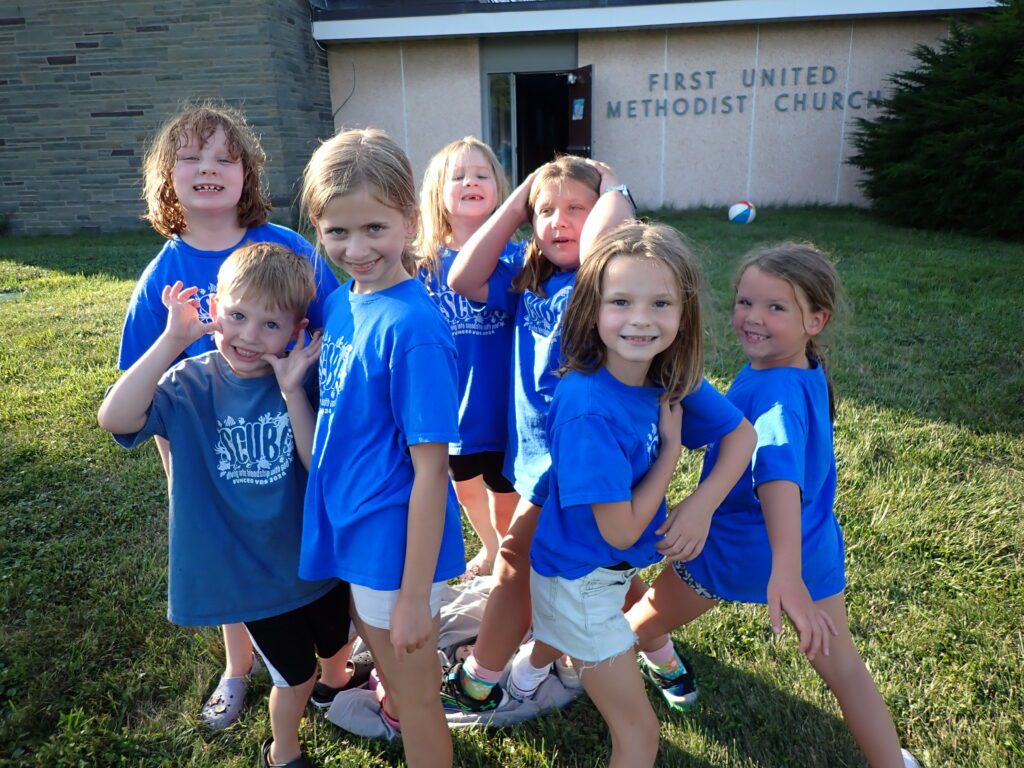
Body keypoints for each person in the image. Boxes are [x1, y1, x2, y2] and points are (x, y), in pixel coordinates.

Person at [625, 243, 921, 768]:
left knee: (637, 626)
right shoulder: (797, 370)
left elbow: (777, 473)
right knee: (844, 668)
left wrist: (783, 570)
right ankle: (892, 763)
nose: (753, 318)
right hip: (813, 547)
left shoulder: (777, 392)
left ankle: (580, 669)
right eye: (745, 302)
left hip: (743, 552)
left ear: (816, 319)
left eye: (775, 308)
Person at [119, 102, 341, 729]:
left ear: (248, 174)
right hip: (209, 459)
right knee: (227, 558)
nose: (208, 168)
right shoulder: (161, 276)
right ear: (167, 177)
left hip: (289, 442)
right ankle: (236, 667)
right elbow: (141, 381)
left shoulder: (288, 248)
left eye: (225, 156)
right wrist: (172, 470)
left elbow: (332, 328)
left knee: (296, 553)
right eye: (190, 157)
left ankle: (330, 667)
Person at [98, 243, 353, 768]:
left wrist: (291, 394)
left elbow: (315, 462)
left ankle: (338, 683)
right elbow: (115, 418)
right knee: (294, 674)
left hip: (312, 558)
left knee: (336, 637)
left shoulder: (301, 377)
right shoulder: (190, 383)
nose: (249, 337)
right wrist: (172, 339)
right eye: (237, 316)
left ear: (297, 329)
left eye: (270, 325)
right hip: (247, 575)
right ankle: (284, 750)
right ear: (215, 309)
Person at [500, 222, 729, 765]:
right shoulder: (587, 408)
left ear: (684, 312)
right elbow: (621, 529)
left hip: (600, 576)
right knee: (640, 732)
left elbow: (741, 436)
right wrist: (672, 454)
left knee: (561, 632)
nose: (641, 320)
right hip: (583, 583)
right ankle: (518, 676)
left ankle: (524, 676)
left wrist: (701, 504)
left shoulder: (661, 373)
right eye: (621, 301)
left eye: (661, 303)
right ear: (591, 309)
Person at [298, 127, 464, 768]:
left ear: (410, 218)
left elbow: (431, 474)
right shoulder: (341, 301)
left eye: (375, 228)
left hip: (396, 554)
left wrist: (417, 596)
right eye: (337, 231)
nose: (356, 248)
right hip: (351, 529)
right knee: (395, 676)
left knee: (420, 702)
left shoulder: (415, 329)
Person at [442, 155, 630, 712]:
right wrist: (522, 197)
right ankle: (651, 642)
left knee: (516, 560)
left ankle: (482, 675)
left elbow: (611, 240)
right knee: (580, 563)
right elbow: (461, 276)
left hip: (573, 457)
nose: (558, 221)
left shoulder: (604, 282)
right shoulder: (529, 276)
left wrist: (615, 186)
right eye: (545, 212)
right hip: (530, 455)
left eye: (576, 209)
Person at [416, 137, 522, 579]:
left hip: (500, 407)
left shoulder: (519, 259)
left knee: (504, 493)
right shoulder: (421, 264)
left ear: (499, 188)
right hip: (449, 407)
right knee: (465, 490)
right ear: (439, 193)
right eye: (458, 176)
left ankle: (511, 556)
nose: (470, 182)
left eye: (481, 175)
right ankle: (491, 545)